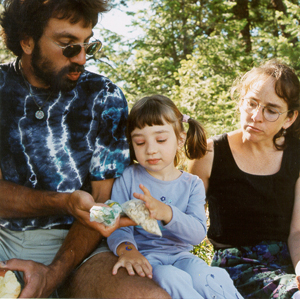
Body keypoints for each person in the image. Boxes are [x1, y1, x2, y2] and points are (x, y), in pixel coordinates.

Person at [0, 1, 171, 298]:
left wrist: (52, 276)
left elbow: (100, 208)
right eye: (68, 45)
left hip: (80, 247)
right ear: (27, 41)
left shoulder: (105, 97)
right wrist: (64, 202)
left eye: (88, 46)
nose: (81, 58)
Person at [107, 94, 243, 298]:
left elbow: (197, 233)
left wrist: (167, 213)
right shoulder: (128, 178)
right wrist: (127, 250)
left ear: (180, 140)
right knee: (171, 278)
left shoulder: (191, 184)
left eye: (160, 139)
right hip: (146, 258)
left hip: (182, 256)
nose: (151, 149)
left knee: (208, 278)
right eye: (140, 142)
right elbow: (116, 224)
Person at [189, 59, 300, 298]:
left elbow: (297, 232)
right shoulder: (210, 154)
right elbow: (186, 222)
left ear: (289, 118)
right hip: (235, 268)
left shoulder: (297, 157)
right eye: (251, 103)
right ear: (241, 102)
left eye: (271, 110)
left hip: (289, 263)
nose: (256, 116)